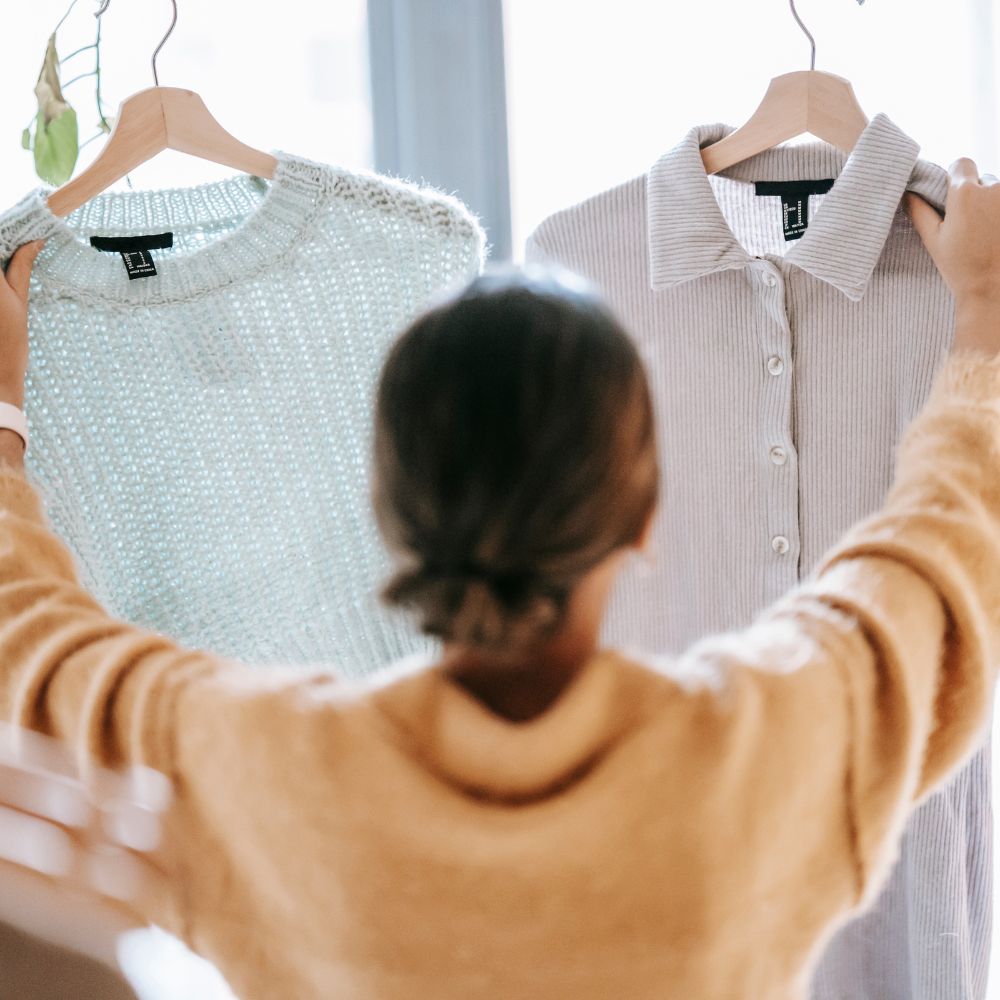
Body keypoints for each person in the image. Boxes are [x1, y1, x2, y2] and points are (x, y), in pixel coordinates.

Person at [0, 157, 997, 1000]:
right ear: (643, 513)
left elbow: (30, 639)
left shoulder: (266, 771)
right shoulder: (753, 755)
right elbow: (939, 560)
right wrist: (986, 318)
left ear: (389, 519)